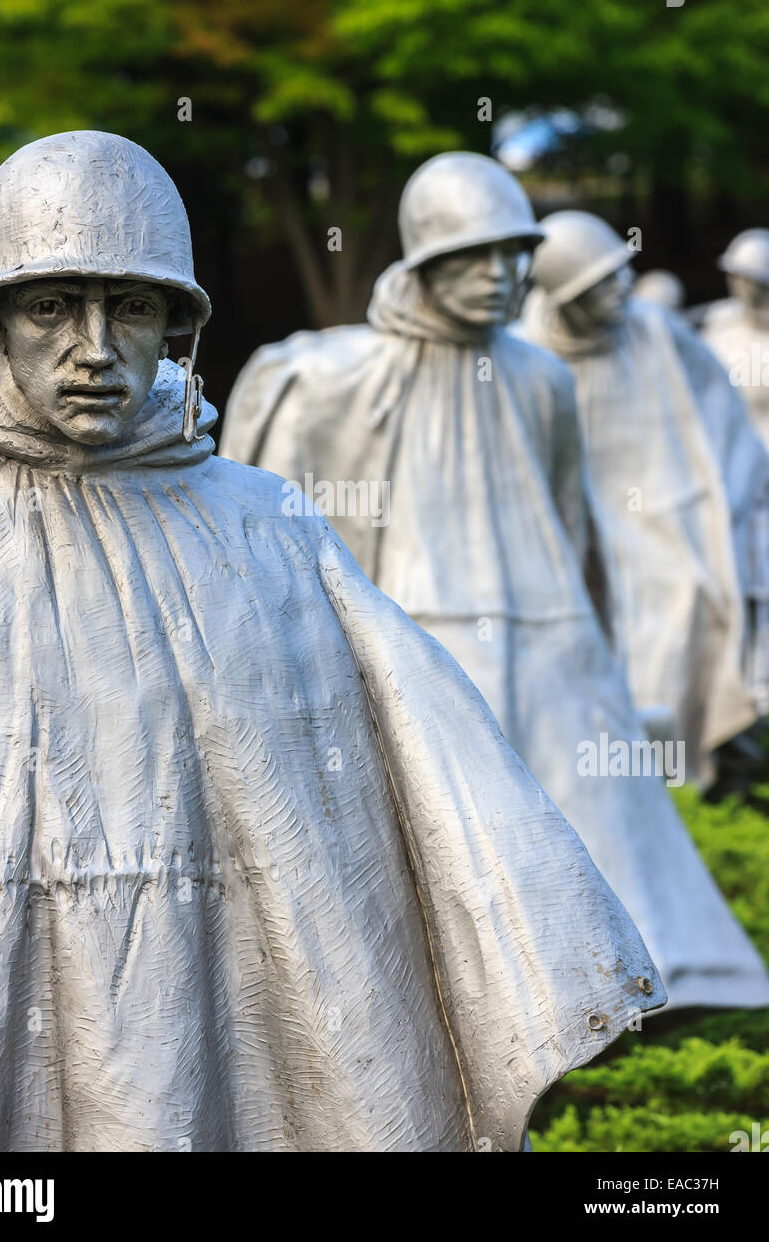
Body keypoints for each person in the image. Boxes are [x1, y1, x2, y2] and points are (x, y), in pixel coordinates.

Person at [0, 130, 667, 1153]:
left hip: (215, 1025)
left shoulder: (266, 524)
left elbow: (422, 783)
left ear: (174, 322)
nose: (93, 345)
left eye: (129, 306)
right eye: (50, 305)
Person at [222, 151, 769, 1014]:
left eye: (514, 256)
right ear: (424, 262)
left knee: (599, 851)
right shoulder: (338, 377)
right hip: (422, 633)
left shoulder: (541, 378)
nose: (501, 276)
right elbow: (271, 545)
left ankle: (616, 992)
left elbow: (575, 524)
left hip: (553, 638)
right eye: (475, 256)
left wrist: (602, 653)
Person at [521, 210, 769, 790]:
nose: (622, 290)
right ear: (564, 298)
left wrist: (730, 502)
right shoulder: (530, 353)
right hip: (588, 528)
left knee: (690, 602)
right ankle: (635, 781)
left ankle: (690, 776)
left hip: (679, 512)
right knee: (621, 633)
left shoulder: (656, 328)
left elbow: (724, 420)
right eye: (599, 284)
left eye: (619, 274)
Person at [703, 229, 769, 447]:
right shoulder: (720, 320)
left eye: (745, 278)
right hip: (728, 441)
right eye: (732, 276)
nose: (736, 284)